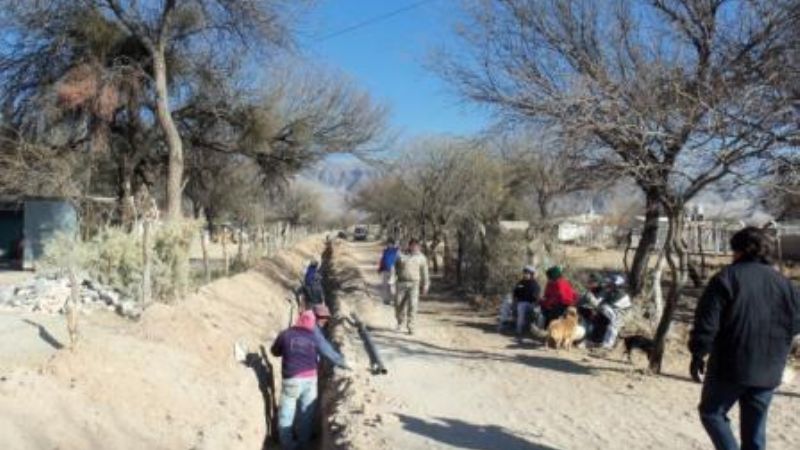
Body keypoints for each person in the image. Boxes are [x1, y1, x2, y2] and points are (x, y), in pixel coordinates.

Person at [689, 226, 800, 450]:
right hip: (769, 369)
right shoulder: (786, 285)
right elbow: (796, 323)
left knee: (711, 413)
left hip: (729, 366)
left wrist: (698, 353)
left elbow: (707, 324)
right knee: (754, 433)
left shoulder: (725, 278)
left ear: (738, 250)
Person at [271, 310, 346, 449]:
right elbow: (327, 351)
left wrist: (287, 350)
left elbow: (275, 352)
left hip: (291, 379)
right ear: (312, 323)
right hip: (310, 379)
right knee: (306, 413)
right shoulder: (314, 336)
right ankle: (303, 444)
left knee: (286, 413)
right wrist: (343, 362)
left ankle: (287, 445)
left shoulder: (286, 334)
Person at [394, 238, 430, 335]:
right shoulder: (401, 255)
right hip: (401, 283)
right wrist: (394, 278)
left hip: (414, 284)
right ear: (409, 246)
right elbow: (395, 267)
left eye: (416, 245)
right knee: (398, 304)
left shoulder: (422, 258)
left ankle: (411, 326)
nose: (414, 247)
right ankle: (400, 322)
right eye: (412, 245)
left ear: (418, 246)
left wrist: (425, 285)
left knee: (413, 305)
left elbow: (425, 273)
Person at [596, 274, 631, 349]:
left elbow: (606, 304)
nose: (609, 284)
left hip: (623, 314)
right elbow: (599, 301)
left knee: (613, 323)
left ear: (616, 285)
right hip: (615, 312)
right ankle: (601, 342)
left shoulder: (620, 294)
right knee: (602, 312)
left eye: (611, 283)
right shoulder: (612, 292)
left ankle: (607, 345)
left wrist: (603, 294)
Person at [310, 304, 348, 370]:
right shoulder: (312, 329)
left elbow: (324, 341)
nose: (325, 320)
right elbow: (323, 347)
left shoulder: (313, 325)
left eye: (326, 317)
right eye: (321, 317)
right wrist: (341, 361)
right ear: (315, 317)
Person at [512, 265, 541, 340]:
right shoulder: (520, 283)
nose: (525, 274)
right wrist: (514, 302)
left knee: (538, 314)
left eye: (527, 273)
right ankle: (519, 331)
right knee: (521, 309)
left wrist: (536, 304)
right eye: (525, 272)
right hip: (522, 303)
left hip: (532, 304)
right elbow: (515, 293)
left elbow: (537, 297)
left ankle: (535, 332)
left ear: (531, 274)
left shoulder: (535, 284)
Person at [378, 239, 400, 305]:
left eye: (390, 244)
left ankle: (395, 300)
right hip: (385, 270)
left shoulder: (396, 251)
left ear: (393, 244)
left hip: (393, 270)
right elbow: (382, 260)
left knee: (392, 285)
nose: (389, 245)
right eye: (388, 243)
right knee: (385, 286)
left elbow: (399, 260)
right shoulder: (385, 251)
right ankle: (386, 300)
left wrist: (399, 270)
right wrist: (380, 269)